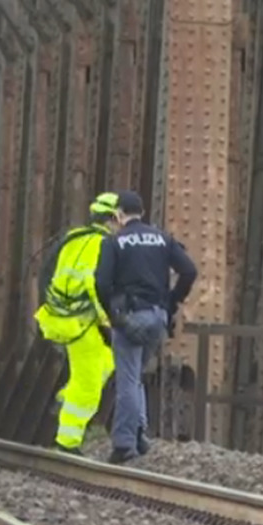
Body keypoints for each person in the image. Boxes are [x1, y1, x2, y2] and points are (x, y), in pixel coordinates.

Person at [94, 189, 198, 464]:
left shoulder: (114, 242)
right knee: (136, 376)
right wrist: (171, 303)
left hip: (130, 317)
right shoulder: (163, 238)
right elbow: (189, 271)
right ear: (142, 212)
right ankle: (139, 435)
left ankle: (124, 443)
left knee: (127, 380)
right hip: (157, 318)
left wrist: (113, 316)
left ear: (118, 214)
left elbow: (101, 283)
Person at [35, 192, 121, 455]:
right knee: (89, 386)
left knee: (107, 363)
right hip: (82, 324)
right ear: (112, 219)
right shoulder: (101, 245)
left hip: (62, 318)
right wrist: (108, 321)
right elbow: (94, 286)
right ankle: (68, 441)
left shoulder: (74, 240)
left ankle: (65, 397)